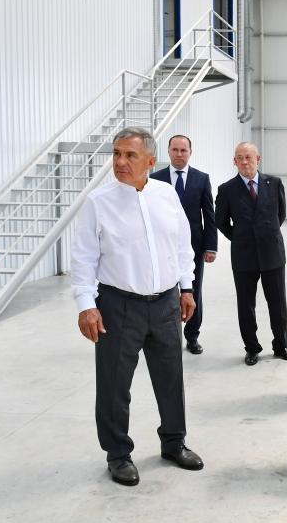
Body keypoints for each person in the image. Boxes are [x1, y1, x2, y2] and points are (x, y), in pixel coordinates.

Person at [71, 127, 203, 487]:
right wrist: (86, 305)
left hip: (165, 304)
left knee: (170, 378)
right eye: (116, 154)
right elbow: (83, 257)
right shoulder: (99, 202)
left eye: (130, 155)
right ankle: (117, 454)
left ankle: (174, 443)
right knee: (114, 384)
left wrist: (187, 288)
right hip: (118, 306)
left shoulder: (166, 195)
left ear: (150, 161)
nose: (120, 162)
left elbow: (182, 246)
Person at [215, 142, 287, 366]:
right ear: (234, 161)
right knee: (246, 305)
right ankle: (251, 348)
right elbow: (220, 221)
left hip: (272, 253)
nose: (244, 162)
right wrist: (240, 237)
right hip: (244, 255)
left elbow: (281, 214)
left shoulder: (274, 183)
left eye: (248, 157)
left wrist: (266, 233)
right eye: (239, 158)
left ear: (257, 159)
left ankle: (281, 345)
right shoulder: (227, 189)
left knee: (277, 303)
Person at [150, 134, 217, 355]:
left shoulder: (201, 178)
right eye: (175, 150)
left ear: (190, 152)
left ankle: (192, 336)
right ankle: (162, 335)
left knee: (193, 290)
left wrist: (211, 246)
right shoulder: (155, 178)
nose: (179, 154)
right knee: (164, 290)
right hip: (162, 244)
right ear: (168, 151)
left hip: (194, 246)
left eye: (183, 150)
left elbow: (209, 214)